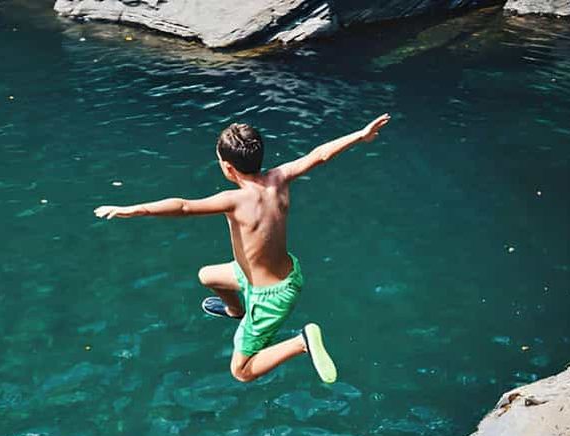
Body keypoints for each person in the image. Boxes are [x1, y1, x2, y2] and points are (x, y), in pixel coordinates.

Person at [94, 113, 391, 383]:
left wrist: (134, 209)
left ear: (228, 167)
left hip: (270, 298)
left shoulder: (233, 201)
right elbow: (320, 154)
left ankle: (302, 341)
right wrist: (360, 134)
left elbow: (183, 206)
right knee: (207, 275)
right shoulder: (279, 178)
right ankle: (235, 310)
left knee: (241, 371)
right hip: (286, 274)